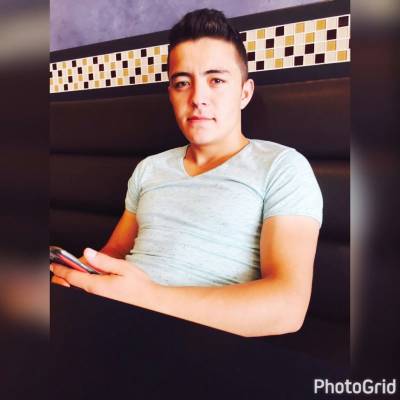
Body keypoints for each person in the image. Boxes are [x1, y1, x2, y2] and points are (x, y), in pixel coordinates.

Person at [50, 8, 323, 337]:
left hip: (197, 342)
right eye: (182, 83)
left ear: (244, 93)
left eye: (216, 80)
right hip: (111, 323)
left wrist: (148, 298)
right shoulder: (150, 168)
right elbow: (115, 252)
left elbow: (287, 307)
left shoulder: (282, 166)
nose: (198, 98)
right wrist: (81, 276)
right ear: (171, 94)